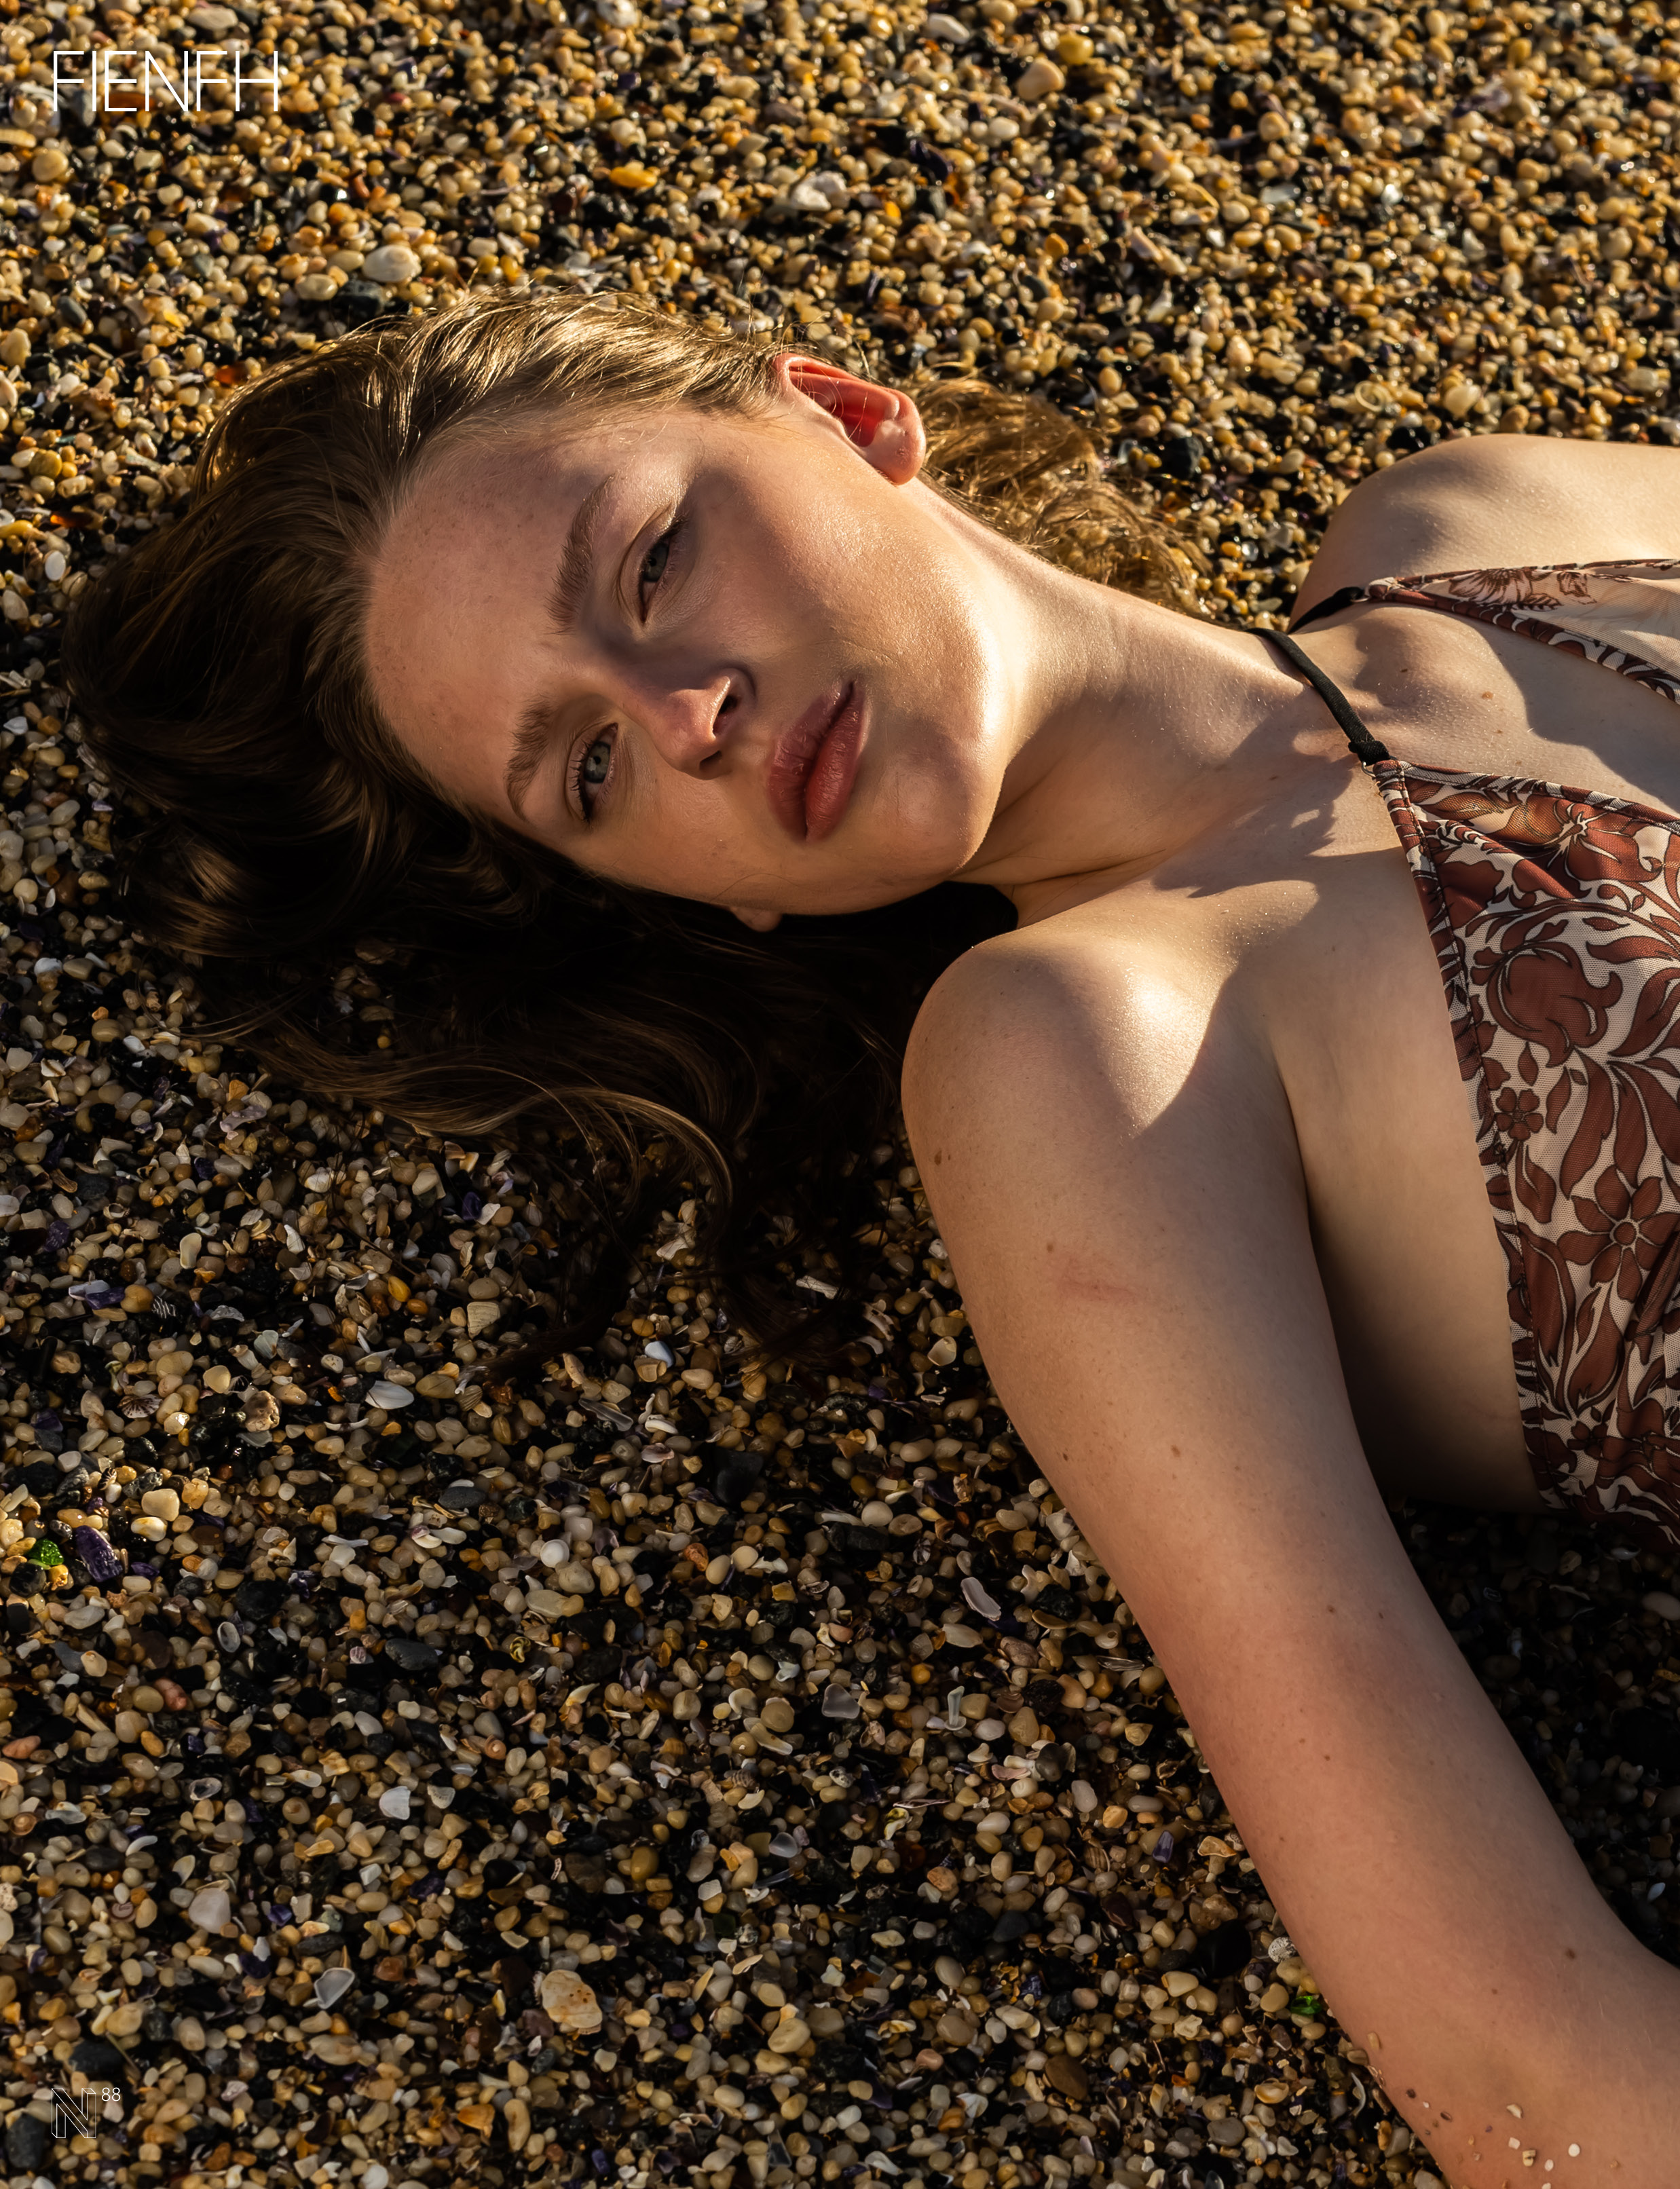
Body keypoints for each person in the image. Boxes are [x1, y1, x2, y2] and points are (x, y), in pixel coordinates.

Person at [65, 290, 1680, 2178]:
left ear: (841, 410)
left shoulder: (1493, 520)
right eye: (586, 771)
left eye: (653, 560)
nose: (683, 720)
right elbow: (1520, 2054)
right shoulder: (1089, 1056)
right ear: (686, 894)